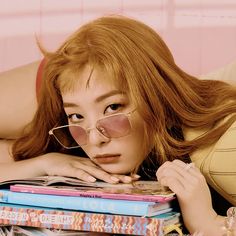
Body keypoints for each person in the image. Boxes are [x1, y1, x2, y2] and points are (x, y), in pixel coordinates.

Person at [0, 15, 235, 235]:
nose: (94, 140)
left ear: (154, 97)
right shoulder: (66, 128)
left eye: (113, 108)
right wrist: (43, 164)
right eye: (76, 116)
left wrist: (210, 223)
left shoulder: (218, 150)